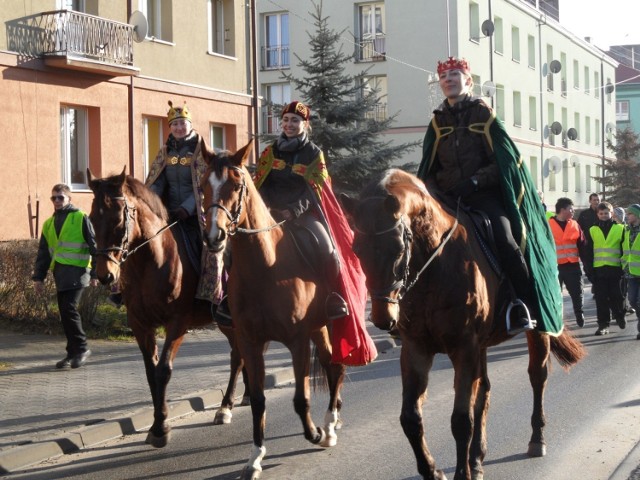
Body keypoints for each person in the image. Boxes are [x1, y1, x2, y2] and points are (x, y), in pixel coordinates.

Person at [417, 56, 563, 336]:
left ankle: (524, 304)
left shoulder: (485, 115)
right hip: (447, 199)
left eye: (455, 75)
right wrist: (433, 190)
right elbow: (429, 167)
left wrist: (474, 180)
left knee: (507, 240)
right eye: (444, 77)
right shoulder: (437, 123)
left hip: (483, 196)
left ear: (468, 81)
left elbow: (505, 163)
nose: (448, 80)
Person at [253, 100, 376, 365]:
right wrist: (267, 209)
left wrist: (293, 211)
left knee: (327, 249)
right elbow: (258, 185)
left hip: (303, 216)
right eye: (286, 120)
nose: (289, 125)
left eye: (295, 121)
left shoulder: (313, 153)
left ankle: (333, 297)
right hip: (270, 214)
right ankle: (233, 298)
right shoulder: (269, 152)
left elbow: (317, 190)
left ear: (305, 125)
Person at [144, 100, 224, 309]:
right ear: (170, 127)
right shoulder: (164, 152)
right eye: (175, 124)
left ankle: (213, 294)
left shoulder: (203, 152)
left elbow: (204, 186)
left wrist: (186, 208)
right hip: (168, 213)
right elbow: (157, 181)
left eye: (183, 123)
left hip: (196, 213)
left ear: (190, 124)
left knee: (210, 248)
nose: (179, 128)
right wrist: (152, 203)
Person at [32, 184, 98, 369]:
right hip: (60, 274)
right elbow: (43, 254)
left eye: (61, 197)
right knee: (64, 313)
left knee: (69, 309)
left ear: (70, 199)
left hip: (78, 272)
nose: (57, 201)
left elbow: (95, 246)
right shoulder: (48, 223)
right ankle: (72, 352)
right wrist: (39, 278)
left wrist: (95, 273)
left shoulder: (80, 217)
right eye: (54, 198)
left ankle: (82, 348)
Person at [548, 198, 591, 327]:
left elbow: (582, 246)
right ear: (562, 210)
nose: (573, 212)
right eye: (570, 209)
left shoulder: (575, 224)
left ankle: (579, 313)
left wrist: (587, 265)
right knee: (555, 294)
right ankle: (556, 319)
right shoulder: (548, 225)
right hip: (555, 267)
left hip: (572, 265)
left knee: (577, 292)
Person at [585, 202, 626, 336]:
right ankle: (603, 325)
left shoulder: (620, 228)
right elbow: (588, 252)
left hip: (615, 270)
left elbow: (624, 249)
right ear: (597, 214)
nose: (604, 216)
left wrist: (624, 267)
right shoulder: (592, 230)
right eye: (601, 213)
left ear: (611, 214)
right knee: (601, 300)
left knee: (617, 297)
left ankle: (620, 316)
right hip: (599, 271)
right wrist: (589, 271)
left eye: (606, 213)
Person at [623, 204, 640, 340]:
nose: (627, 216)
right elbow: (626, 250)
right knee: (633, 300)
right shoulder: (627, 230)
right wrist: (624, 264)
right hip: (631, 272)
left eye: (629, 214)